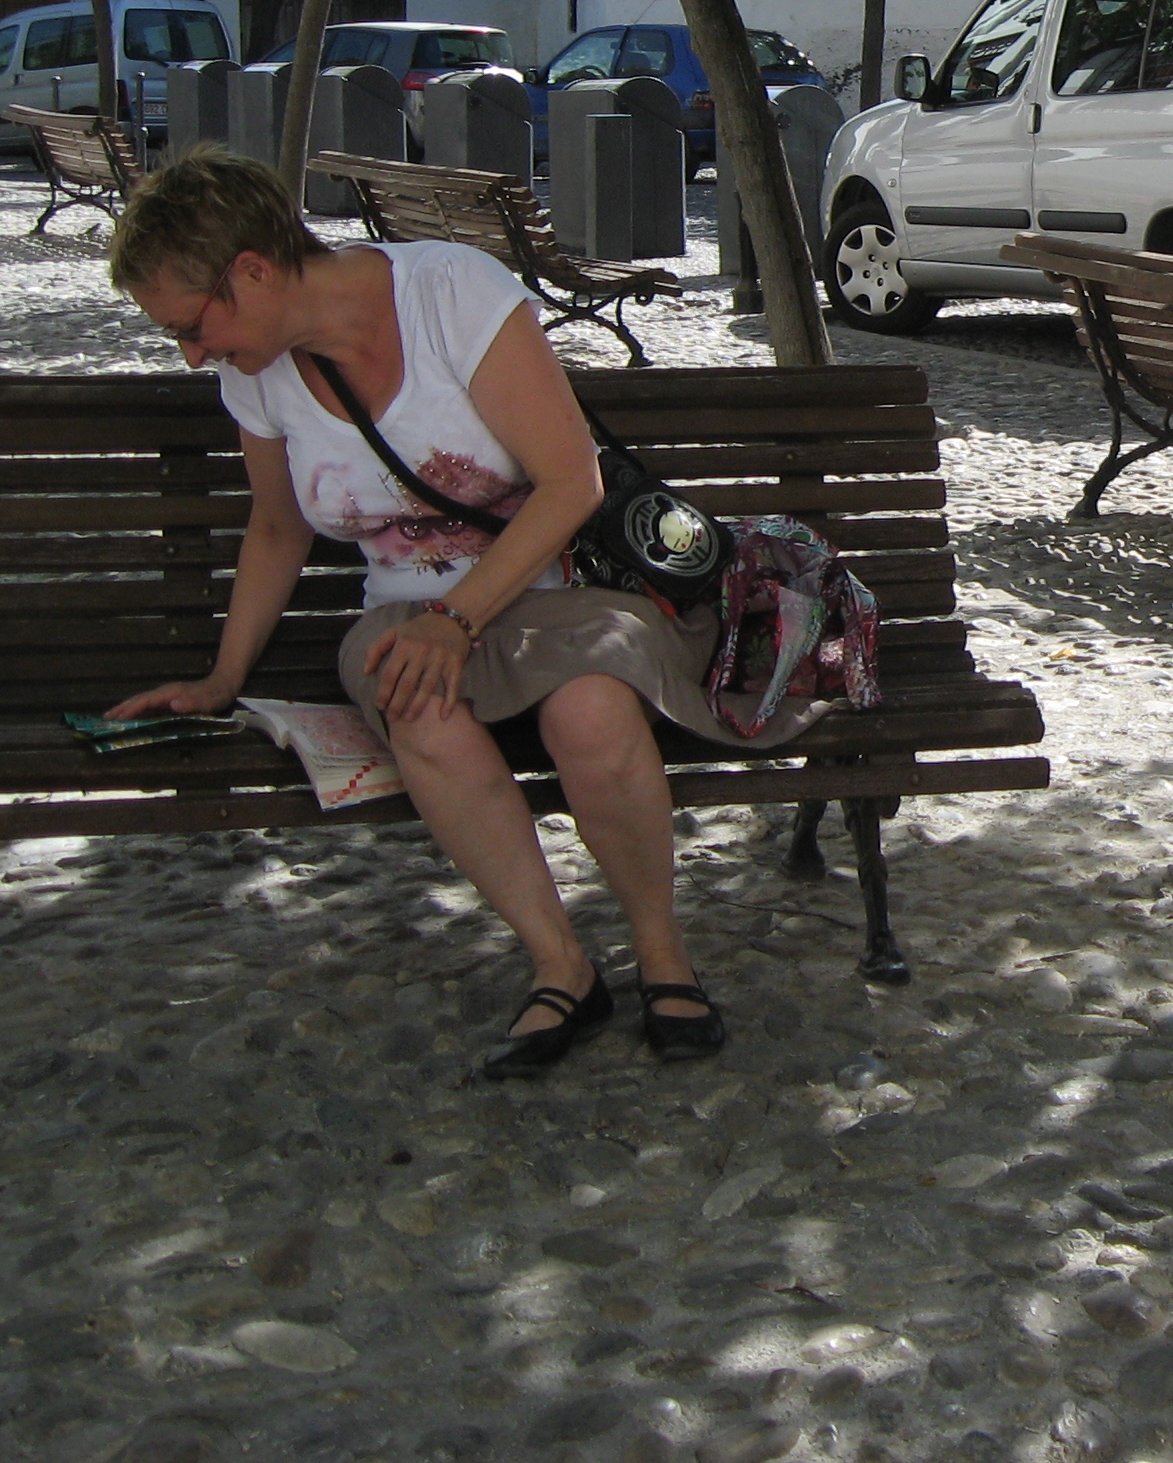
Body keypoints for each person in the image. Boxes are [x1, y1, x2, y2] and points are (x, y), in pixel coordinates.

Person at [105, 148, 741, 1077]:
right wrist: (222, 678)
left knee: (593, 709)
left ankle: (662, 954)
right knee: (413, 698)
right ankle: (562, 965)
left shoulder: (450, 294)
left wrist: (459, 619)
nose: (193, 355)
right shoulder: (257, 373)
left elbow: (572, 483)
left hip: (557, 594)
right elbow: (277, 528)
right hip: (406, 612)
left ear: (252, 271)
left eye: (191, 327)